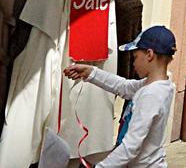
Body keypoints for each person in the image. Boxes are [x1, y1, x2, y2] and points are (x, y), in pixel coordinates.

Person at [63, 26, 177, 168]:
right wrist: (91, 72)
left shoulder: (151, 95)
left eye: (135, 57)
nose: (133, 63)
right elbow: (124, 87)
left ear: (149, 54)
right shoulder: (161, 85)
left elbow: (131, 146)